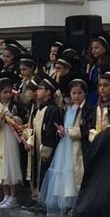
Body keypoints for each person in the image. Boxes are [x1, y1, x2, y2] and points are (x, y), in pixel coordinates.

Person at [39, 76, 89, 215]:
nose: (76, 96)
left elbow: (86, 128)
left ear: (85, 94)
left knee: (75, 172)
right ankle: (65, 203)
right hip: (64, 144)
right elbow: (63, 125)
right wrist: (60, 132)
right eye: (74, 93)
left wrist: (69, 131)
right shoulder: (67, 108)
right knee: (62, 173)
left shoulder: (86, 109)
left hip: (77, 145)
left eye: (80, 93)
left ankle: (76, 203)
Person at [0, 74, 26, 209]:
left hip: (12, 139)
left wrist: (15, 119)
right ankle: (6, 196)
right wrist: (0, 117)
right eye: (4, 92)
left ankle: (13, 196)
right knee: (2, 167)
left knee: (12, 165)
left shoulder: (15, 106)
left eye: (9, 92)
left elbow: (23, 120)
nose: (7, 95)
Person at [25, 74, 62, 207]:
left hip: (46, 150)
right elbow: (35, 129)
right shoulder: (38, 109)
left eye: (40, 88)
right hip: (37, 147)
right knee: (37, 172)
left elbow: (51, 131)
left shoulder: (52, 110)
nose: (37, 91)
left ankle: (45, 200)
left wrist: (47, 150)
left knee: (45, 173)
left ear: (48, 92)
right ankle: (37, 196)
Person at [87, 32, 110, 106]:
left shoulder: (109, 65)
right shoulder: (92, 66)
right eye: (92, 48)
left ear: (104, 48)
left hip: (103, 96)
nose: (93, 50)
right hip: (92, 96)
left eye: (96, 48)